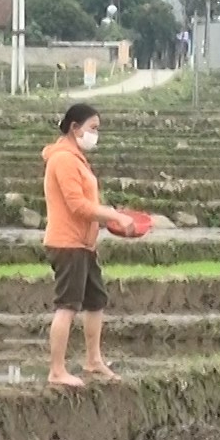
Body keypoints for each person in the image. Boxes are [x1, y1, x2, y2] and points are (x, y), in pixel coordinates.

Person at [42, 104, 135, 388]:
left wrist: (108, 221)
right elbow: (78, 205)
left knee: (95, 301)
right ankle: (57, 370)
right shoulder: (64, 161)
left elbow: (87, 206)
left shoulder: (77, 159)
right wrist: (114, 215)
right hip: (67, 243)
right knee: (67, 306)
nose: (95, 134)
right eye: (92, 128)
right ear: (74, 127)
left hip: (84, 243)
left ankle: (93, 360)